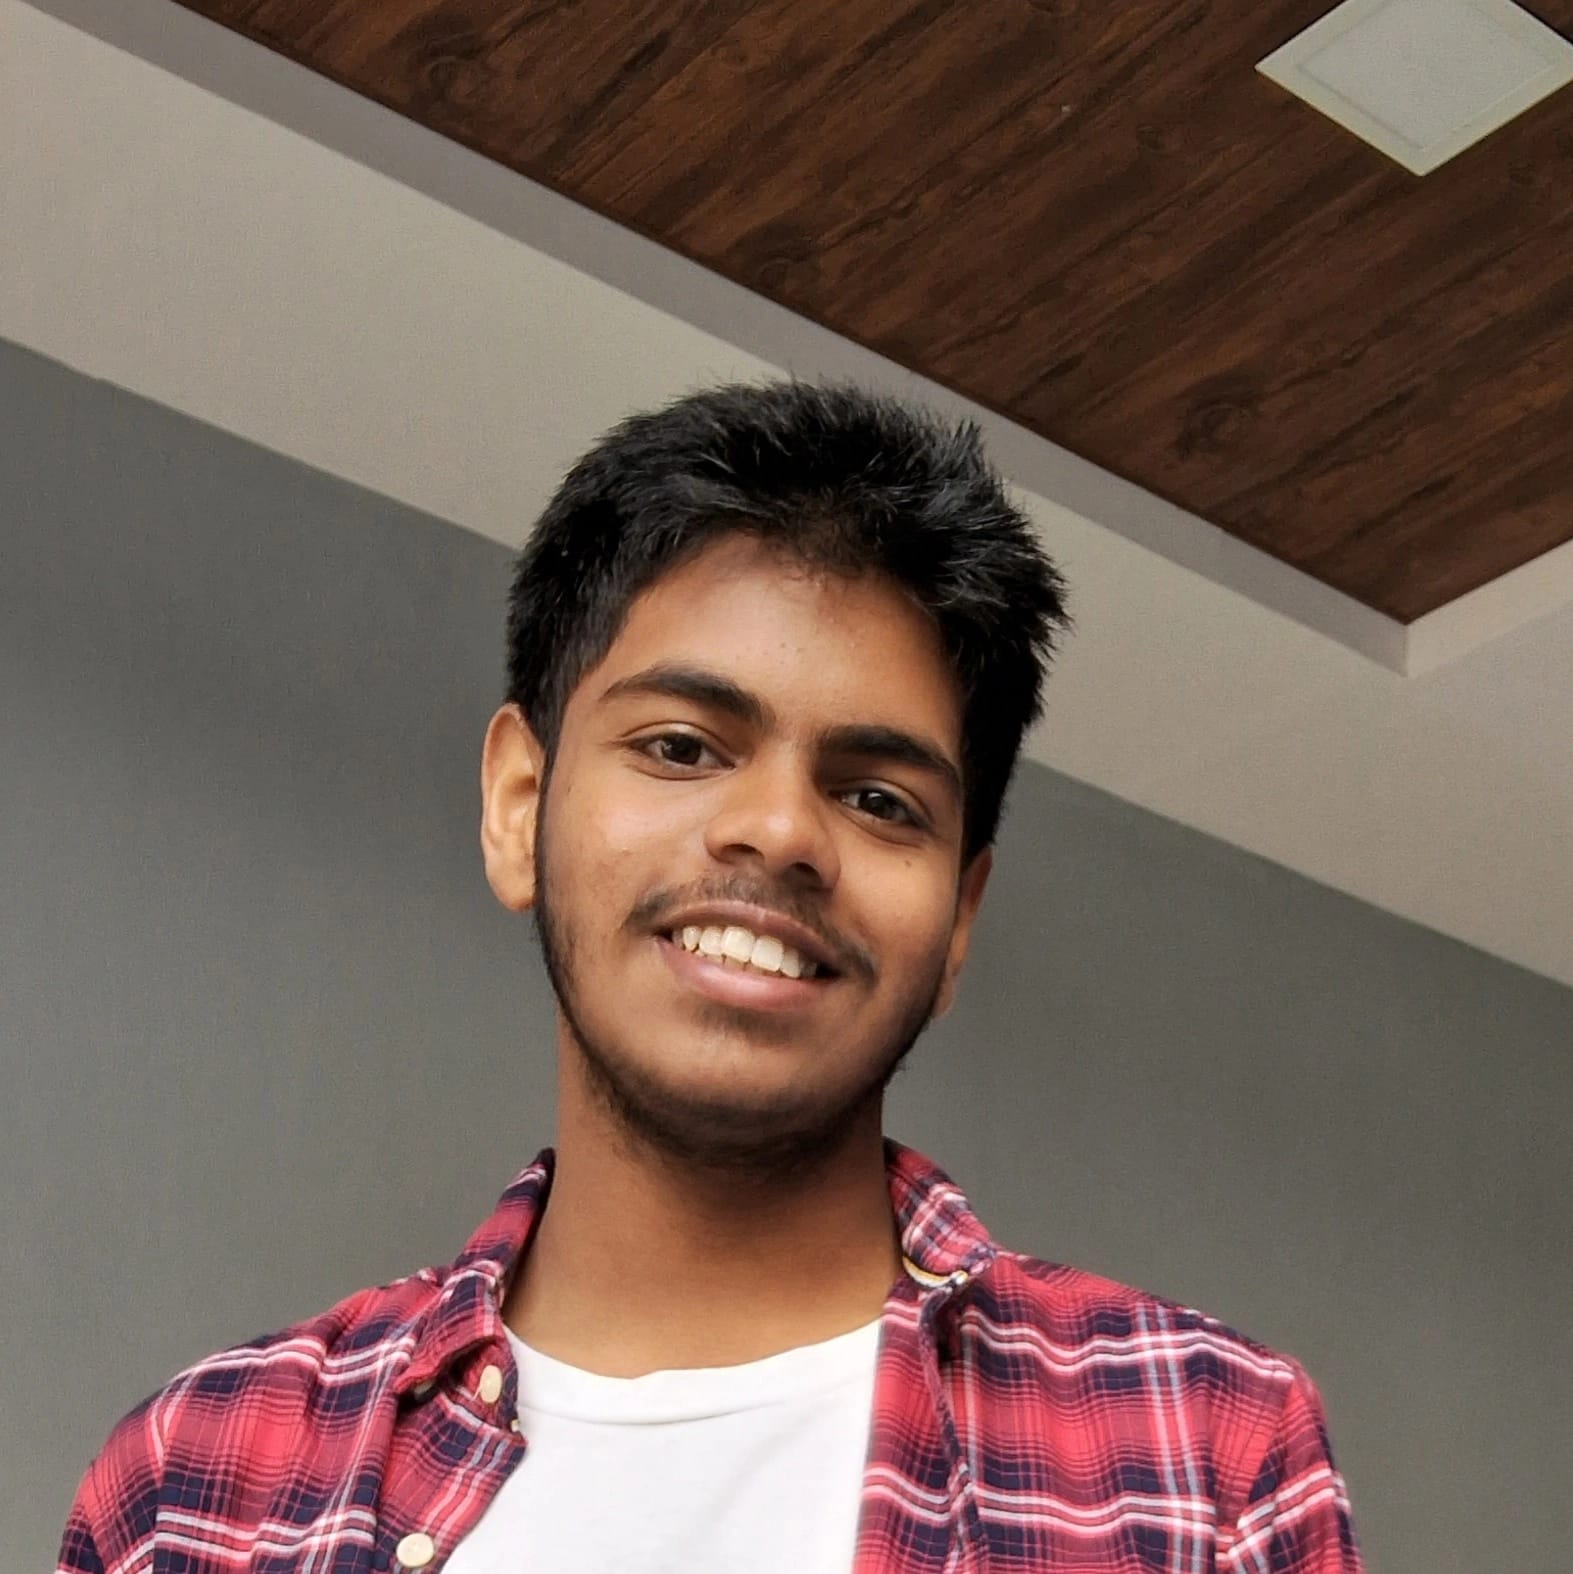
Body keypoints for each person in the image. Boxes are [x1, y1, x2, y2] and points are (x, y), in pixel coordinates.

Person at [57, 381, 1364, 1574]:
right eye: (682, 745)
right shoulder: (199, 1487)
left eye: (877, 798)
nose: (779, 832)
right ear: (520, 805)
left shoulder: (1199, 1449)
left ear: (960, 918)